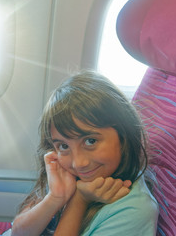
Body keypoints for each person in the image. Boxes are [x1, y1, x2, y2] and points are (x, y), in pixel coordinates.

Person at [10, 71, 159, 236]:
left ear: (124, 135)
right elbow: (17, 233)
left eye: (90, 141)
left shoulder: (132, 211)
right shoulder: (63, 173)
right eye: (64, 145)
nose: (78, 163)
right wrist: (55, 197)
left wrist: (78, 201)